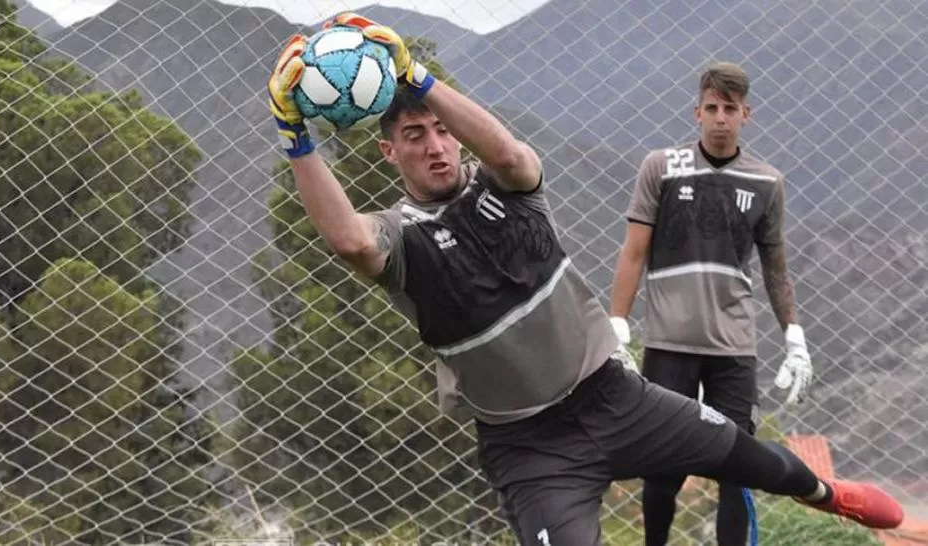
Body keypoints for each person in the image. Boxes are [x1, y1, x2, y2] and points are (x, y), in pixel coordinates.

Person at [268, 16, 904, 545]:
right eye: (414, 136)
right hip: (531, 448)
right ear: (390, 152)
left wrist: (416, 79)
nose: (435, 146)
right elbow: (348, 239)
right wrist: (294, 134)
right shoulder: (397, 236)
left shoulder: (512, 190)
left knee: (751, 458)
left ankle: (829, 495)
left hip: (616, 397)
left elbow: (510, 154)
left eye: (442, 131)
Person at [608, 61, 815, 545]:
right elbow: (634, 250)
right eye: (712, 108)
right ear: (696, 111)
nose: (721, 118)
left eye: (731, 109)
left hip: (733, 349)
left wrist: (795, 337)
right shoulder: (662, 166)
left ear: (747, 114)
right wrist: (617, 322)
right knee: (662, 466)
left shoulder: (767, 181)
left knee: (736, 469)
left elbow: (775, 267)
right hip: (670, 342)